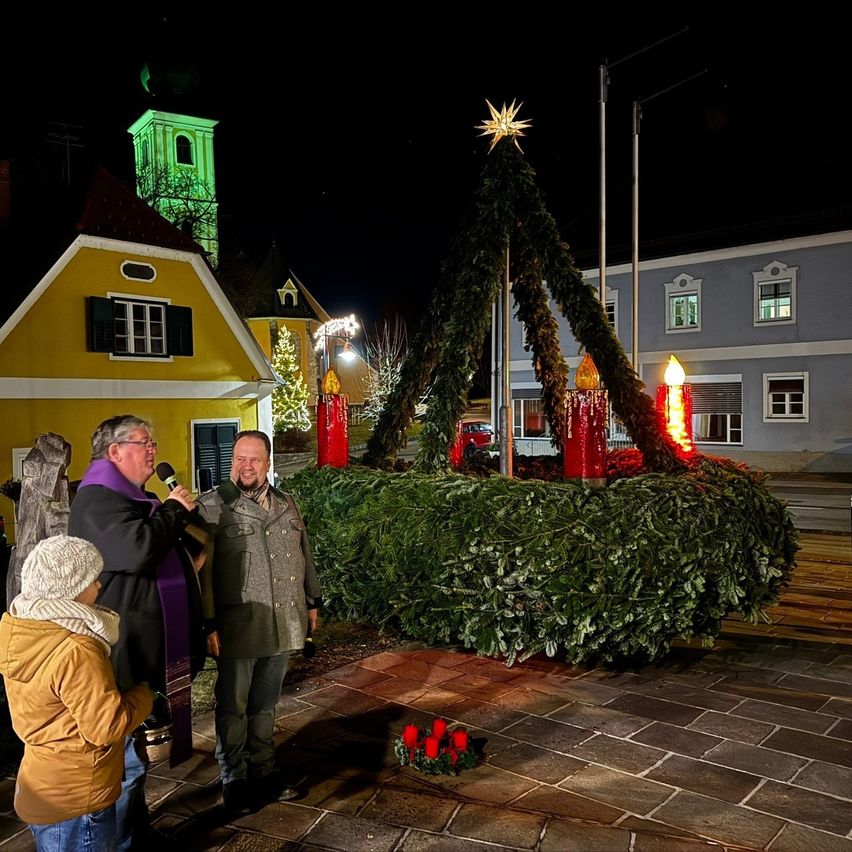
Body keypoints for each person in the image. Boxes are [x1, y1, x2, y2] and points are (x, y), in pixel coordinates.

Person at [68, 415, 207, 850]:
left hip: (142, 645)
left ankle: (135, 830)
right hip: (121, 651)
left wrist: (183, 520)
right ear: (115, 452)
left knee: (135, 759)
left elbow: (174, 545)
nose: (153, 450)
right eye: (144, 442)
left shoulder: (130, 498)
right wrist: (171, 511)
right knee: (123, 760)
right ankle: (121, 842)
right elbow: (139, 549)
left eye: (152, 442)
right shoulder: (96, 501)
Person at [0, 535, 155, 852]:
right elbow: (105, 727)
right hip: (77, 795)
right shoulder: (76, 647)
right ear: (68, 588)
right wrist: (144, 696)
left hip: (42, 783)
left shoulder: (25, 629)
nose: (99, 584)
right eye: (90, 578)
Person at [197, 430, 321, 814]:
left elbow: (304, 554)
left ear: (268, 463)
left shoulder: (287, 503)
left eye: (253, 459)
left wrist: (312, 601)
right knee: (232, 705)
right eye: (238, 458)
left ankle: (264, 771)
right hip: (238, 625)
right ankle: (234, 776)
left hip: (284, 620)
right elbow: (202, 576)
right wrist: (208, 623)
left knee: (265, 705)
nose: (244, 466)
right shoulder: (213, 506)